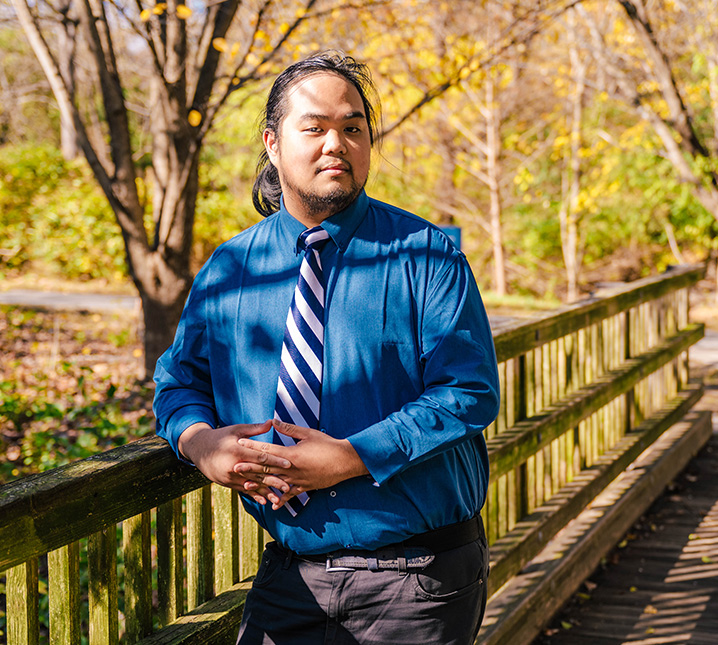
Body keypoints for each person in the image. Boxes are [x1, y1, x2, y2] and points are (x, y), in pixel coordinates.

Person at [153, 51, 500, 644]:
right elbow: (180, 382)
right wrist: (199, 441)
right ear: (272, 142)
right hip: (290, 578)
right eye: (314, 127)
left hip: (417, 580)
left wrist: (351, 456)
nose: (335, 143)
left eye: (353, 128)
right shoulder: (232, 268)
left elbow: (467, 390)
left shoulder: (426, 254)